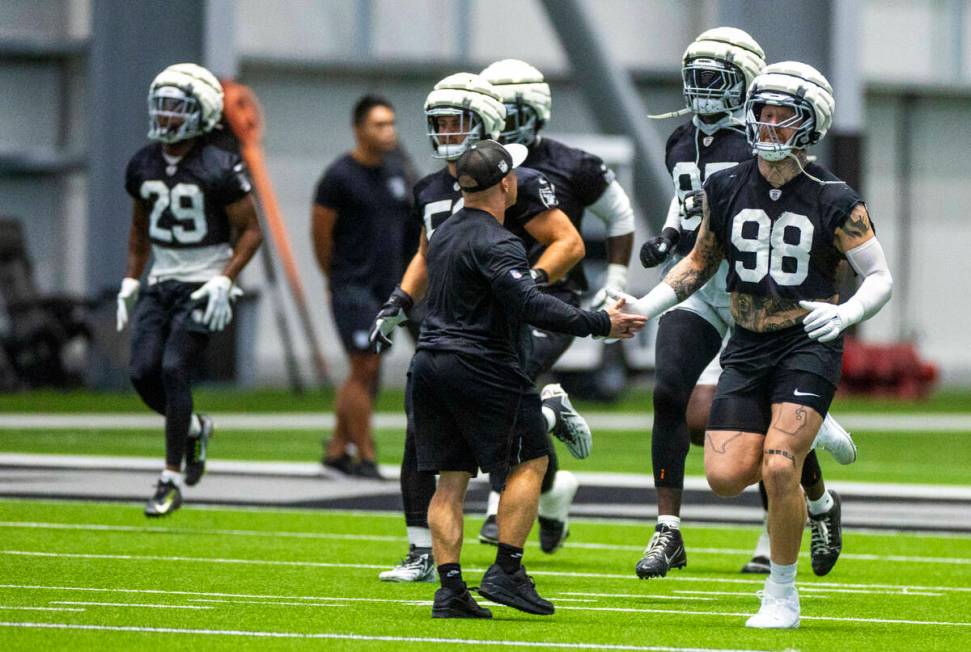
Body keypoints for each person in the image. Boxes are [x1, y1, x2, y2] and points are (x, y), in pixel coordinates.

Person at [618, 61, 892, 628]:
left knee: (777, 464)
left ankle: (781, 593)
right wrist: (644, 307)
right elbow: (697, 263)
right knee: (722, 477)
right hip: (745, 343)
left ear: (810, 123)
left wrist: (846, 314)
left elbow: (881, 276)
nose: (766, 126)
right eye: (761, 113)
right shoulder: (724, 185)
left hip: (806, 343)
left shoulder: (834, 197)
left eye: (780, 116)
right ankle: (814, 446)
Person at [413, 139, 646, 618]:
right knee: (531, 460)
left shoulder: (444, 234)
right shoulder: (500, 241)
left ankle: (450, 589)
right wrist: (602, 323)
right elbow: (531, 305)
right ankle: (507, 570)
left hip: (428, 365)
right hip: (482, 365)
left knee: (450, 480)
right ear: (506, 183)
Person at [372, 73, 590, 583]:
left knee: (505, 441)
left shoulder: (518, 181)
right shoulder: (429, 188)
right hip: (449, 324)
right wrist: (400, 299)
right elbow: (426, 252)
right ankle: (419, 551)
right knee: (419, 431)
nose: (446, 131)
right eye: (439, 122)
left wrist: (525, 284)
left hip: (499, 332)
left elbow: (569, 243)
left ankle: (544, 416)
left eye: (458, 121)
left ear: (487, 124)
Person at [475, 58, 636, 552]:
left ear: (536, 111)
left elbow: (620, 215)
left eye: (510, 110)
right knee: (495, 394)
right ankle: (552, 491)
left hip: (551, 298)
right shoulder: (476, 165)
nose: (500, 121)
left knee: (508, 381)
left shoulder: (574, 164)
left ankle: (495, 503)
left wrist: (615, 278)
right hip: (493, 302)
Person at [116, 63, 263, 517]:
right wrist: (131, 279)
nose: (165, 115)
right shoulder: (143, 162)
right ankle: (194, 428)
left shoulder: (220, 164)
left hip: (204, 280)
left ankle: (169, 478)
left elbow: (252, 231)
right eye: (161, 105)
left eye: (176, 107)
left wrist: (226, 277)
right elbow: (139, 230)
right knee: (142, 373)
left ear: (201, 112)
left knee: (175, 367)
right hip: (163, 279)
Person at [312, 95, 412, 479]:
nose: (388, 132)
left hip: (387, 288)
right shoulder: (339, 177)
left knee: (369, 370)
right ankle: (365, 454)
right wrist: (334, 279)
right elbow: (320, 234)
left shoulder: (396, 171)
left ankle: (337, 450)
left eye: (391, 124)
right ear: (359, 129)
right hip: (352, 286)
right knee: (363, 364)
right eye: (379, 125)